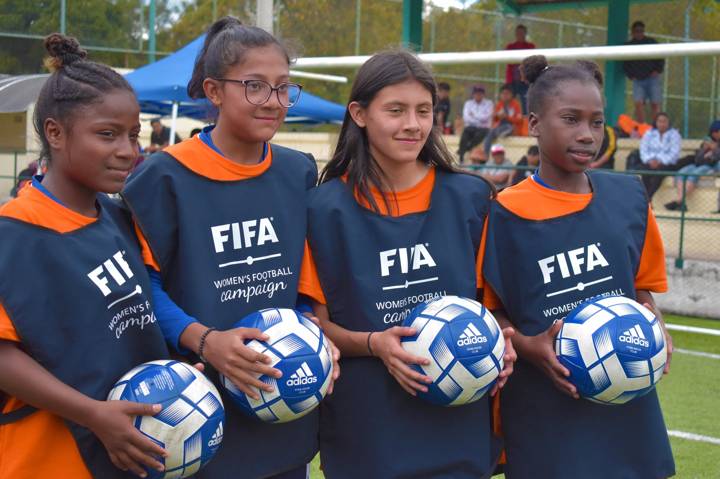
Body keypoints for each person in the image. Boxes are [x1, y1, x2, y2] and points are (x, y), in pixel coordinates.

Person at [122, 17, 339, 479]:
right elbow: (143, 287)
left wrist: (313, 340)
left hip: (282, 401)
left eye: (283, 88)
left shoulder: (297, 169)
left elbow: (303, 280)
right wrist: (206, 340)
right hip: (192, 411)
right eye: (255, 86)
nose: (273, 102)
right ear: (214, 91)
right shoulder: (163, 175)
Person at [299, 50, 515, 479]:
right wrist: (375, 342)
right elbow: (316, 326)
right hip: (368, 425)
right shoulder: (323, 209)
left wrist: (503, 341)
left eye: (423, 111)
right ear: (359, 114)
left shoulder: (471, 198)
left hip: (458, 422)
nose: (413, 124)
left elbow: (493, 307)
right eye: (395, 111)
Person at [479, 54, 675, 479]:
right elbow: (489, 311)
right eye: (571, 119)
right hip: (546, 407)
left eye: (596, 122)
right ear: (533, 124)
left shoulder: (628, 198)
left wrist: (654, 325)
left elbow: (642, 288)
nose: (587, 135)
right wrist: (532, 347)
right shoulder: (501, 213)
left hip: (627, 405)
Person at [0, 34, 172, 479]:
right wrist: (93, 413)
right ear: (55, 133)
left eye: (133, 135)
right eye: (107, 134)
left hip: (128, 455)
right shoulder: (13, 233)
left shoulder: (119, 218)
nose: (128, 151)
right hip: (47, 460)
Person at [665, 120, 720, 211]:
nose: (715, 134)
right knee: (681, 173)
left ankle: (678, 201)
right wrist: (704, 150)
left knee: (695, 173)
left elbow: (715, 160)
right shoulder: (707, 141)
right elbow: (697, 159)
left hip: (711, 166)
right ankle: (681, 202)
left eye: (717, 132)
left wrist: (714, 150)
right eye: (715, 132)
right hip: (699, 164)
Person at [623, 21, 664, 124]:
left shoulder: (651, 42)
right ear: (632, 32)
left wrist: (658, 70)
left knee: (655, 103)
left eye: (641, 31)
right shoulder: (629, 46)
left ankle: (656, 127)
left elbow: (661, 56)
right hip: (638, 80)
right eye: (637, 31)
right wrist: (630, 75)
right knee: (638, 103)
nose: (639, 33)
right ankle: (642, 126)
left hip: (652, 78)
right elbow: (625, 62)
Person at [637, 112, 682, 200]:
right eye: (659, 121)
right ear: (656, 122)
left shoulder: (674, 134)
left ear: (668, 123)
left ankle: (647, 198)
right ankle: (647, 199)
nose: (662, 124)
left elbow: (674, 153)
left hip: (667, 164)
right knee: (645, 172)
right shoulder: (649, 133)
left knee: (660, 172)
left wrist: (660, 161)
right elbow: (643, 150)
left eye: (664, 121)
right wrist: (650, 161)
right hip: (650, 162)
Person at [483, 84, 523, 155]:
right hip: (500, 127)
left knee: (509, 127)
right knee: (489, 134)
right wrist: (497, 116)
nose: (505, 95)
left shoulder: (516, 105)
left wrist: (506, 117)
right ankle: (485, 155)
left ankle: (506, 132)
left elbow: (519, 120)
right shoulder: (499, 104)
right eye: (503, 93)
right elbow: (494, 120)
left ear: (511, 95)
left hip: (512, 127)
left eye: (507, 93)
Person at [458, 84, 493, 163]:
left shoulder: (489, 103)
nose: (478, 95)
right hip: (471, 127)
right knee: (465, 133)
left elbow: (486, 117)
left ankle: (467, 148)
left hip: (483, 128)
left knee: (482, 133)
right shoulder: (468, 103)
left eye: (480, 93)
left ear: (483, 94)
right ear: (473, 94)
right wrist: (479, 118)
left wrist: (474, 115)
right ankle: (461, 157)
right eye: (476, 93)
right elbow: (467, 118)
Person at [505, 25, 535, 115]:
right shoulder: (510, 47)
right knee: (508, 103)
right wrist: (508, 81)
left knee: (526, 103)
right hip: (512, 80)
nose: (519, 35)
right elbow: (509, 63)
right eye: (518, 33)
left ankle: (526, 124)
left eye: (521, 33)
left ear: (525, 34)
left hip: (525, 81)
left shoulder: (530, 46)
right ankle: (507, 124)